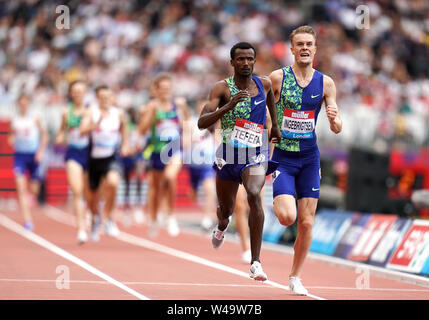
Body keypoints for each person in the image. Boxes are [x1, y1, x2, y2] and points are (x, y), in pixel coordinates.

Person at [198, 42, 281, 281]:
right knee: (226, 210)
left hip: (254, 154)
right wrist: (228, 106)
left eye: (250, 59)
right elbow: (202, 123)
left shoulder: (263, 83)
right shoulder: (221, 88)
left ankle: (255, 262)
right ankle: (223, 225)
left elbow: (270, 101)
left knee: (254, 194)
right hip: (228, 156)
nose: (246, 63)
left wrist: (274, 125)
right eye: (241, 59)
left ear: (254, 61)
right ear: (232, 62)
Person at [268, 25, 342, 295]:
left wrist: (335, 119)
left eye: (309, 44)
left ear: (315, 49)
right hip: (284, 159)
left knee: (307, 222)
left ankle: (294, 277)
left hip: (310, 158)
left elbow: (337, 127)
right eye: (299, 44)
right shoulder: (277, 78)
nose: (304, 48)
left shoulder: (326, 83)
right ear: (292, 49)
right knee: (288, 217)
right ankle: (276, 198)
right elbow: (262, 112)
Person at [138, 73, 189, 237]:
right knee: (155, 189)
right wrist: (151, 113)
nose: (166, 91)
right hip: (156, 151)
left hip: (174, 149)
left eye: (169, 88)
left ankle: (171, 216)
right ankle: (153, 219)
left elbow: (185, 126)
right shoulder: (152, 106)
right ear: (157, 90)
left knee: (170, 177)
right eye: (163, 88)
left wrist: (185, 112)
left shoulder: (177, 105)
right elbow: (142, 130)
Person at [79, 85, 129, 242]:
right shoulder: (91, 112)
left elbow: (124, 129)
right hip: (93, 158)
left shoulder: (118, 113)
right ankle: (95, 220)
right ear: (97, 98)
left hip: (111, 157)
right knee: (92, 198)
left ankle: (108, 219)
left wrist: (126, 144)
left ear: (112, 98)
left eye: (108, 97)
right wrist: (95, 124)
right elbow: (82, 130)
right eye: (102, 97)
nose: (106, 100)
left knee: (113, 183)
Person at [55, 80, 90, 243]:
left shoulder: (92, 111)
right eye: (74, 91)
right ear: (70, 93)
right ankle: (81, 228)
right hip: (74, 153)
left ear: (85, 93)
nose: (77, 94)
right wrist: (60, 137)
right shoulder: (65, 112)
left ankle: (91, 213)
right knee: (77, 190)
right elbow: (62, 131)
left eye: (80, 91)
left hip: (91, 153)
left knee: (90, 191)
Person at [8, 94, 48, 231]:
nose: (23, 105)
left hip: (33, 155)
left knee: (34, 189)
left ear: (29, 104)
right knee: (20, 188)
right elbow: (11, 136)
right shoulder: (15, 120)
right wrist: (11, 139)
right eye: (21, 103)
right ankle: (28, 220)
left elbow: (44, 135)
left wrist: (41, 151)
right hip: (20, 156)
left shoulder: (35, 118)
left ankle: (31, 198)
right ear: (18, 104)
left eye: (25, 103)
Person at [183, 99, 217, 231]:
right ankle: (195, 192)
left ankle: (207, 219)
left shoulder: (215, 122)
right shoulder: (191, 122)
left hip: (207, 163)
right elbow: (185, 142)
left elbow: (220, 139)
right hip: (193, 163)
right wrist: (193, 139)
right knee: (192, 194)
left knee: (210, 190)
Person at [120, 107, 145, 226]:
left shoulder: (140, 125)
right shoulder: (127, 126)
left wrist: (138, 147)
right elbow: (124, 139)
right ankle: (126, 208)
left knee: (140, 178)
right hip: (128, 156)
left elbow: (143, 140)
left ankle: (138, 206)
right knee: (127, 182)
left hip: (138, 155)